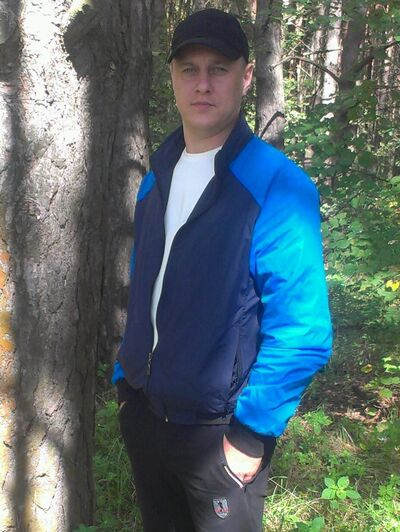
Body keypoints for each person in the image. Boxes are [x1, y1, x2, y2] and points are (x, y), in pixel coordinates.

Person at [112, 8, 332, 532]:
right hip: (147, 417)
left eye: (219, 68)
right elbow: (146, 285)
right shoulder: (156, 177)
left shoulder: (276, 185)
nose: (203, 84)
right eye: (189, 69)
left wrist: (252, 432)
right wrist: (126, 381)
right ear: (172, 76)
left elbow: (303, 329)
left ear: (246, 76)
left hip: (222, 435)